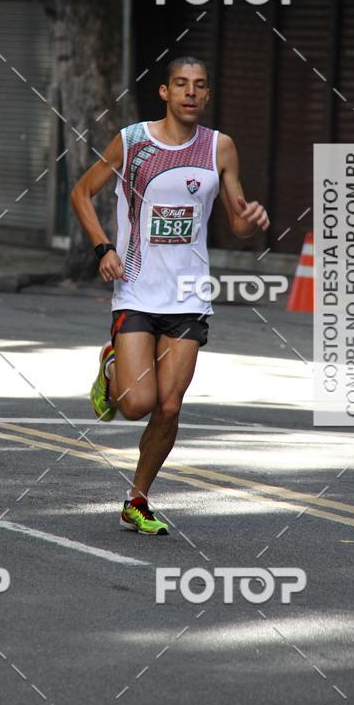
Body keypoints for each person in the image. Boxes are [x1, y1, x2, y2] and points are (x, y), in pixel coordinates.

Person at [71, 57, 269, 536]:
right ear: (164, 91)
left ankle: (136, 498)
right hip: (137, 286)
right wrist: (103, 248)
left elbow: (236, 219)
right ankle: (112, 365)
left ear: (208, 94)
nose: (190, 93)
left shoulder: (220, 147)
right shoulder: (133, 141)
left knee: (170, 406)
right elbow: (81, 193)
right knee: (137, 403)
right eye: (181, 84)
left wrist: (251, 221)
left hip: (189, 292)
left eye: (200, 86)